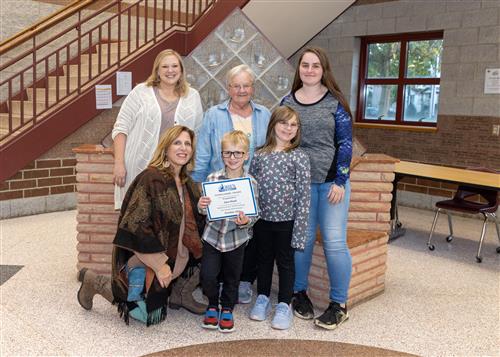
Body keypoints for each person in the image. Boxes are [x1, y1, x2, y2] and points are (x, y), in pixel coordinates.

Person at [77, 126, 206, 325]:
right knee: (146, 316)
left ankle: (179, 292)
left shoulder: (187, 182)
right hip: (146, 258)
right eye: (177, 143)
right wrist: (159, 265)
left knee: (215, 252)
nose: (183, 148)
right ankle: (95, 281)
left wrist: (205, 209)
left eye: (187, 144)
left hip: (176, 259)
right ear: (166, 148)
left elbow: (193, 224)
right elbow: (135, 226)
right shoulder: (152, 179)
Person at [281, 47, 353, 330]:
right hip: (300, 185)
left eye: (315, 66)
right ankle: (299, 294)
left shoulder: (335, 102)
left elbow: (345, 144)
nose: (309, 70)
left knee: (335, 242)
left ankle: (339, 304)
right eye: (305, 65)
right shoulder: (287, 102)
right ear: (299, 69)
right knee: (303, 240)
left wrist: (340, 180)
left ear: (324, 70)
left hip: (331, 184)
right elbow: (282, 140)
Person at [192, 64, 270, 304]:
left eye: (246, 85)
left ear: (253, 88)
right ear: (228, 89)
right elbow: (204, 151)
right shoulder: (214, 115)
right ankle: (219, 286)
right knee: (219, 236)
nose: (241, 90)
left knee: (247, 236)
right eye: (236, 86)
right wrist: (199, 185)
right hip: (220, 187)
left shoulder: (264, 114)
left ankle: (242, 282)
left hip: (252, 186)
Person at [112, 49, 203, 210]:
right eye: (165, 66)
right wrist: (119, 163)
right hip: (140, 165)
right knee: (138, 214)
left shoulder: (192, 96)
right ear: (157, 71)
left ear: (181, 70)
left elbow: (196, 134)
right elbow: (121, 128)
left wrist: (191, 164)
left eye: (175, 66)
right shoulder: (140, 92)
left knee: (170, 214)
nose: (170, 70)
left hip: (175, 169)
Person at [248, 106, 311, 330]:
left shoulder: (300, 157)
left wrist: (300, 230)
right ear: (273, 124)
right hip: (262, 221)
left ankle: (284, 304)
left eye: (293, 124)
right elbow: (251, 186)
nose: (288, 128)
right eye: (284, 123)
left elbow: (304, 196)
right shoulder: (259, 154)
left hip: (287, 222)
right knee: (263, 260)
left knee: (285, 263)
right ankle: (263, 297)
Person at [197, 131, 259, 333]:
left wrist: (246, 221)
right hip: (212, 237)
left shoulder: (251, 184)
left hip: (236, 239)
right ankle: (213, 304)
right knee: (208, 276)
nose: (232, 158)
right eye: (228, 153)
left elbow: (256, 214)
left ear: (246, 155)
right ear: (221, 154)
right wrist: (201, 205)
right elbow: (204, 210)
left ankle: (227, 309)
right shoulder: (212, 178)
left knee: (233, 277)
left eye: (238, 153)